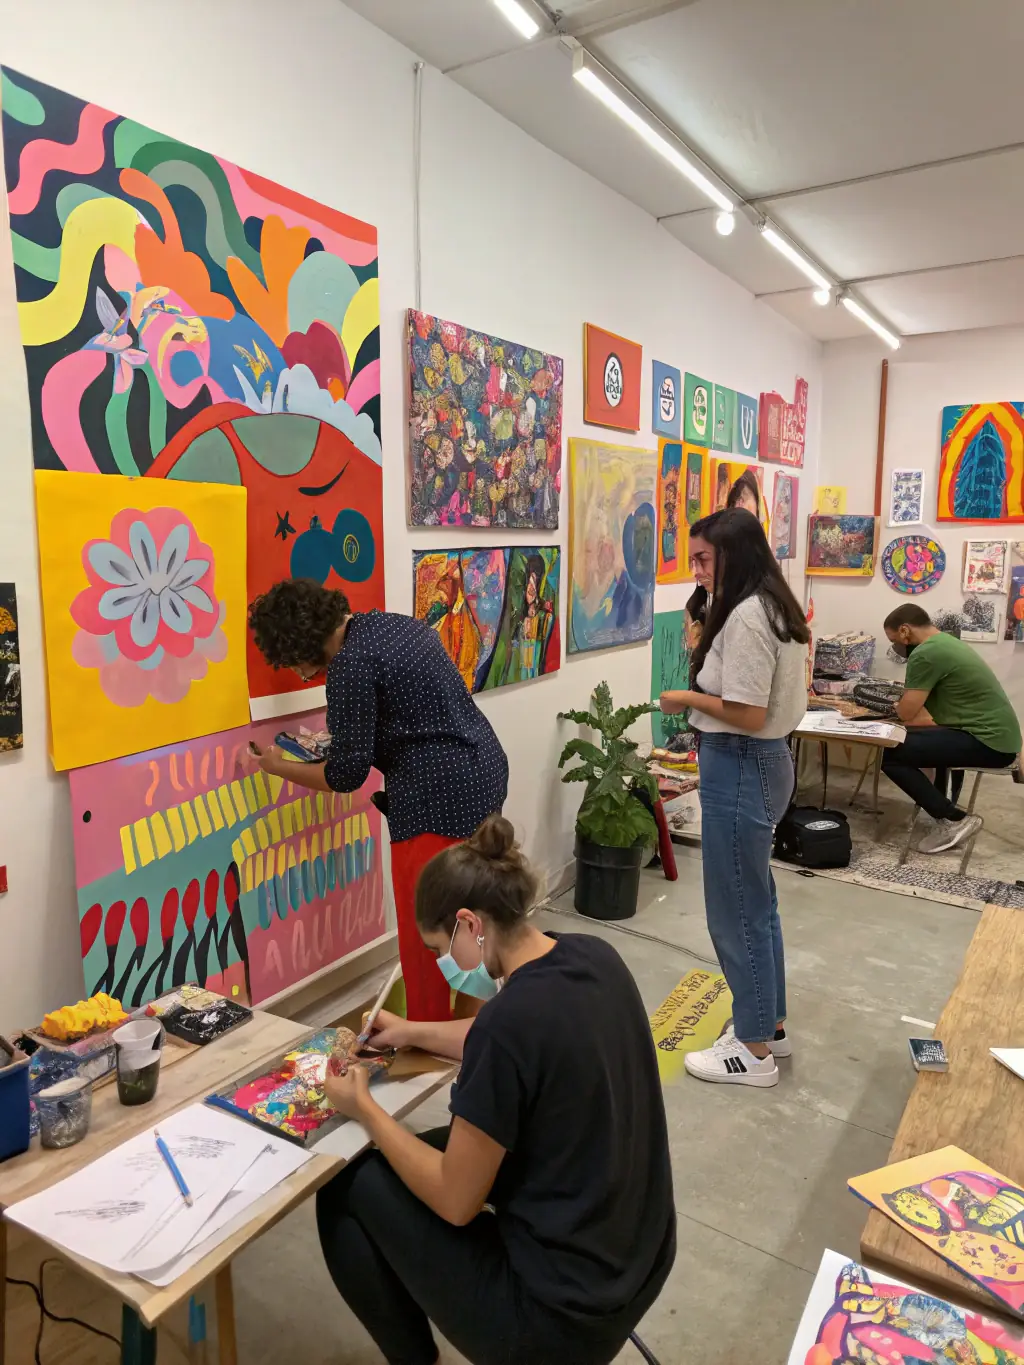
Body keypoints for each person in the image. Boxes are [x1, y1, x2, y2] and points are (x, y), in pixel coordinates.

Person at [315, 816, 675, 1365]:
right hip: (639, 1257)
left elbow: (455, 1202)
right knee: (399, 1161)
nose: (444, 966)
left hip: (558, 1324)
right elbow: (507, 1036)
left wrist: (364, 1107)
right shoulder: (592, 955)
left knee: (345, 1185)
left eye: (440, 949)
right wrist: (411, 1032)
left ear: (469, 924)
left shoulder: (508, 1027)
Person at [247, 580, 509, 1021]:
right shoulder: (392, 626)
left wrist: (278, 766)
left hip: (435, 803)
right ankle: (473, 1028)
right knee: (470, 919)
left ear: (301, 647)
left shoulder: (350, 665)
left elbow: (345, 776)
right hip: (483, 771)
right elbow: (401, 713)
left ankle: (427, 1039)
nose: (304, 676)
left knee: (427, 933)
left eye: (297, 668)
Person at [661, 508, 809, 1088]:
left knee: (735, 910)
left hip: (743, 761)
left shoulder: (748, 614)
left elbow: (746, 713)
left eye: (703, 559)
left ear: (734, 554)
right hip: (760, 762)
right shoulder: (770, 603)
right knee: (756, 903)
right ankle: (767, 1024)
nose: (696, 571)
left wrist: (684, 697)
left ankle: (751, 1050)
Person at [881, 603, 1021, 852]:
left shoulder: (925, 653)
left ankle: (953, 820)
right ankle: (945, 810)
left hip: (988, 742)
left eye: (894, 640)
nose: (896, 647)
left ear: (904, 631)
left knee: (891, 753)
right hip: (998, 737)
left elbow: (907, 712)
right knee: (915, 740)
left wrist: (896, 707)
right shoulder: (946, 642)